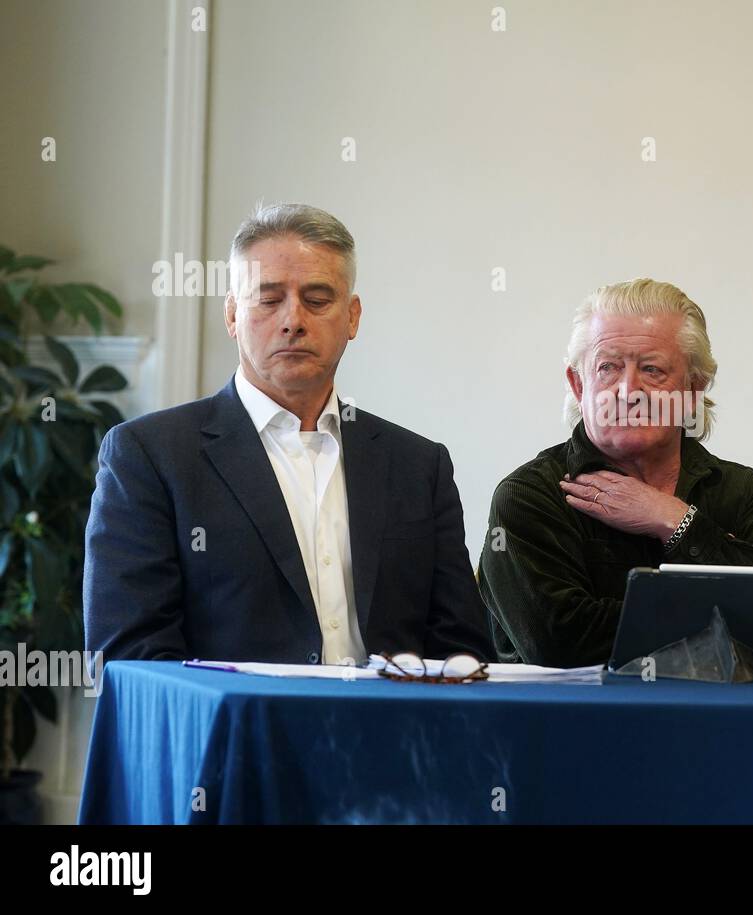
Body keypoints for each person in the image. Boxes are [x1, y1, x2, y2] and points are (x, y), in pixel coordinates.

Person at [84, 203, 490, 664]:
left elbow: (462, 652)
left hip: (389, 733)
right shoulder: (151, 456)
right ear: (233, 315)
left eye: (317, 300)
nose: (293, 320)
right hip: (236, 732)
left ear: (353, 317)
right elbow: (130, 661)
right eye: (269, 299)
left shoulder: (419, 466)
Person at [478, 278, 753, 667]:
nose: (629, 390)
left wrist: (677, 521)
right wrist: (739, 617)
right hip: (577, 724)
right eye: (608, 368)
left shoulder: (745, 493)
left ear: (693, 389)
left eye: (652, 370)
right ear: (579, 385)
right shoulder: (530, 496)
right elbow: (560, 642)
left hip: (721, 724)